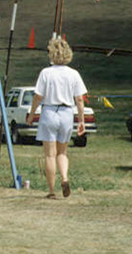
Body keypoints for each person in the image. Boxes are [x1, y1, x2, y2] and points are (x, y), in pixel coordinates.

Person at [26, 38, 87, 199]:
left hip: (49, 112)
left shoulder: (46, 73)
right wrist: (81, 120)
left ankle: (52, 190)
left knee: (49, 154)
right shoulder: (74, 74)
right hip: (67, 112)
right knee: (62, 153)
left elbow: (38, 96)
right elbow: (80, 99)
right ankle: (65, 178)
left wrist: (32, 114)